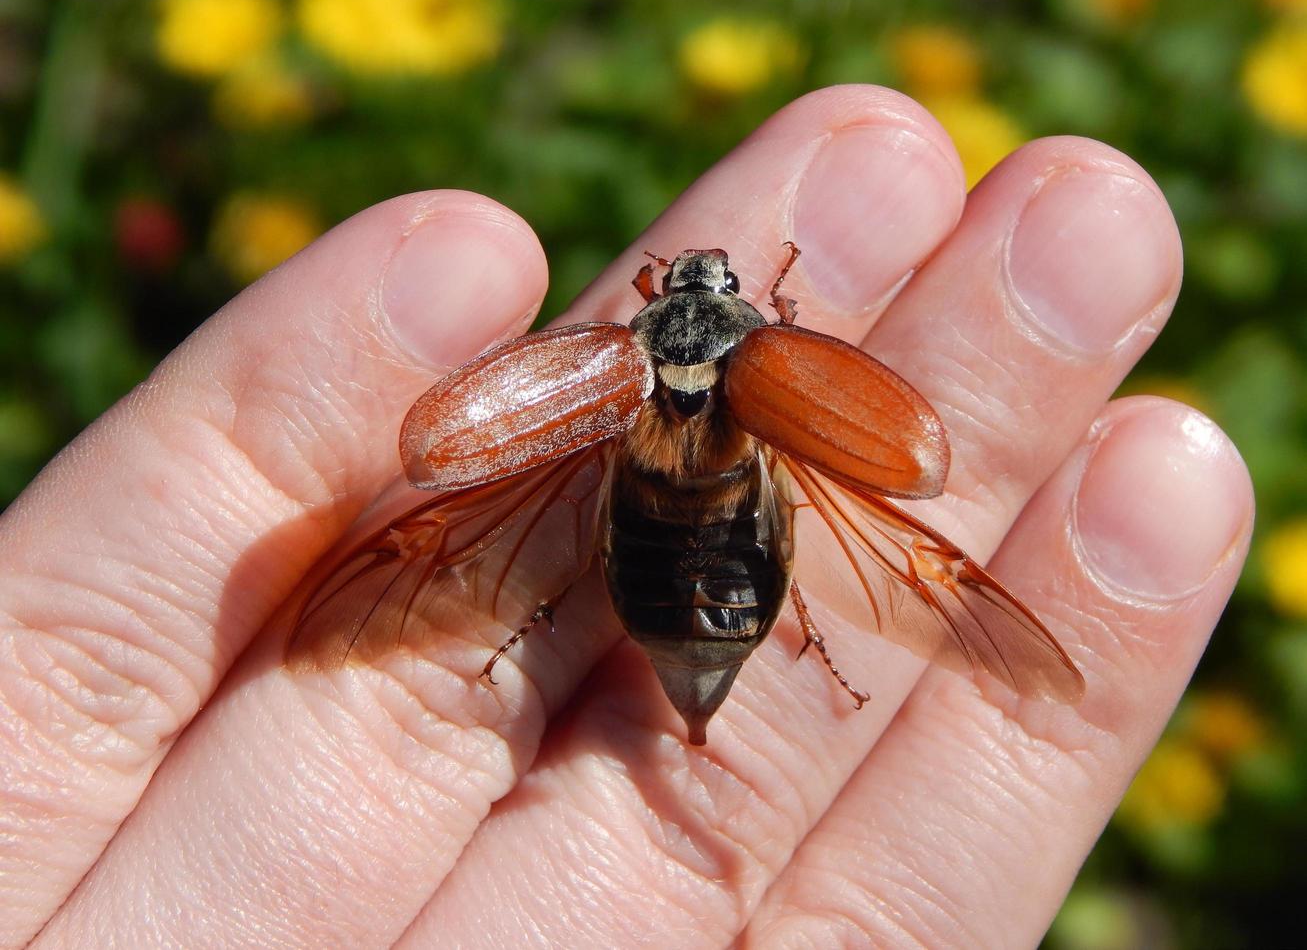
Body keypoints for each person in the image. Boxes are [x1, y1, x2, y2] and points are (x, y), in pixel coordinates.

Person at [2, 87, 1251, 948]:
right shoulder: (766, 369)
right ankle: (767, 628)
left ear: (651, 305)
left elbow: (468, 507)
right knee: (857, 531)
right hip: (733, 572)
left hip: (646, 561)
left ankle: (574, 613)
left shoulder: (618, 374)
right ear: (750, 315)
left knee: (481, 533)